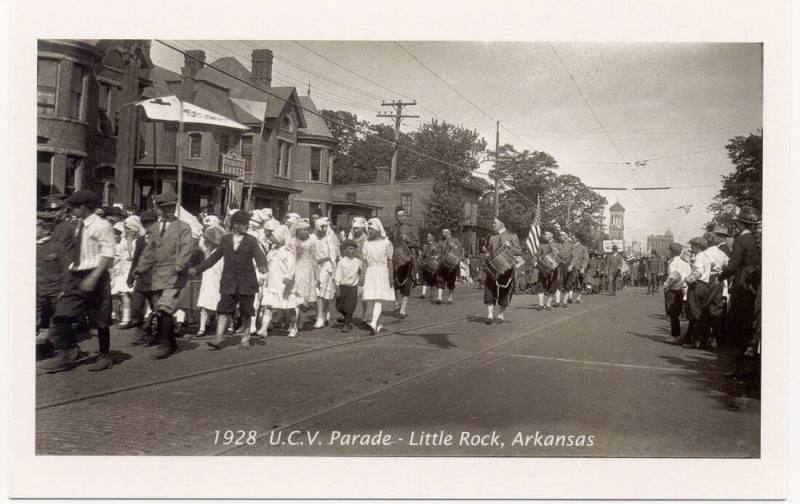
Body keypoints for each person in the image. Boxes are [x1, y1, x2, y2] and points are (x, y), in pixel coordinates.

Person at [38, 190, 116, 373]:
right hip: (77, 274)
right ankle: (67, 351)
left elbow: (107, 254)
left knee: (100, 319)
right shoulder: (78, 223)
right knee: (62, 314)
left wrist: (93, 277)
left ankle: (105, 355)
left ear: (84, 207)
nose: (70, 210)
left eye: (73, 207)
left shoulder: (101, 225)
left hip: (95, 274)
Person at [131, 192, 197, 359]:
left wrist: (180, 264)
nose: (168, 211)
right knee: (158, 309)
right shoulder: (154, 228)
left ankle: (165, 345)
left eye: (171, 207)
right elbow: (149, 252)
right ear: (158, 209)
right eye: (164, 208)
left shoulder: (183, 227)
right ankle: (171, 343)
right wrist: (139, 269)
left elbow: (187, 247)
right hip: (158, 274)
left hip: (175, 274)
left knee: (164, 308)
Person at [190, 210, 267, 349]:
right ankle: (218, 339)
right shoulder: (225, 240)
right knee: (223, 309)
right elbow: (214, 258)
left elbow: (259, 255)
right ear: (235, 225)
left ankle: (246, 337)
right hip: (229, 281)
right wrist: (197, 269)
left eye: (247, 223)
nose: (247, 225)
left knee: (246, 311)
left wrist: (262, 266)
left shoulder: (251, 240)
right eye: (243, 223)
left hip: (246, 281)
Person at [718, 206, 760, 380]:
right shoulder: (758, 239)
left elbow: (733, 265)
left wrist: (721, 276)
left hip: (743, 284)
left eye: (737, 224)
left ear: (741, 224)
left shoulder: (741, 240)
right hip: (756, 284)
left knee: (738, 325)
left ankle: (738, 367)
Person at [258, 224, 302, 338]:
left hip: (284, 284)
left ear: (279, 237)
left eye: (273, 236)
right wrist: (263, 277)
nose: (270, 237)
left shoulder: (288, 251)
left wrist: (289, 277)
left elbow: (292, 266)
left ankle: (293, 325)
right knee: (268, 306)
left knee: (289, 307)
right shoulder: (272, 250)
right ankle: (263, 328)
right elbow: (268, 265)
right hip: (272, 283)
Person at [126, 210, 159, 345]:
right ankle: (140, 330)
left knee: (157, 308)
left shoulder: (161, 239)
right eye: (145, 223)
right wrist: (131, 277)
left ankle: (159, 332)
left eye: (151, 222)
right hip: (142, 279)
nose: (148, 225)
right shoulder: (140, 241)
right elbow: (136, 260)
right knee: (136, 305)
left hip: (157, 280)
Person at [484, 218, 522, 324]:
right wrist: (486, 254)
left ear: (502, 224)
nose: (493, 224)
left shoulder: (512, 236)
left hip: (506, 268)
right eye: (493, 223)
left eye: (494, 223)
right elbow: (489, 252)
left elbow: (519, 251)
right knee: (489, 289)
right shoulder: (492, 237)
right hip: (493, 268)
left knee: (504, 291)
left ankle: (501, 314)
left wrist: (510, 246)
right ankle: (490, 315)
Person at [362, 218, 395, 334]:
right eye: (368, 229)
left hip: (382, 271)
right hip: (371, 272)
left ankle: (373, 322)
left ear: (377, 229)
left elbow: (390, 260)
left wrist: (391, 276)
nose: (369, 231)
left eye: (371, 229)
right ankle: (379, 324)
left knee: (378, 298)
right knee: (372, 297)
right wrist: (362, 276)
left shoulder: (386, 243)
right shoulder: (366, 244)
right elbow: (365, 261)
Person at [36, 215, 62, 356]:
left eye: (36, 226)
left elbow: (65, 269)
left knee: (55, 323)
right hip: (36, 292)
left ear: (46, 230)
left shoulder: (55, 246)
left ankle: (67, 348)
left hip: (53, 291)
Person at [388, 206, 420, 318]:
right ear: (396, 216)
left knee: (407, 283)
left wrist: (408, 240)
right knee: (395, 283)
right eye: (399, 216)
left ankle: (403, 309)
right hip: (395, 259)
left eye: (403, 215)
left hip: (407, 260)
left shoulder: (411, 228)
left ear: (405, 216)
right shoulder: (392, 228)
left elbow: (417, 243)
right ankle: (397, 304)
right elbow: (388, 242)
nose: (401, 217)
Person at [195, 225, 226, 337]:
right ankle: (202, 328)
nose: (205, 242)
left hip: (217, 282)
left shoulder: (221, 254)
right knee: (204, 305)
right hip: (207, 282)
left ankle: (227, 326)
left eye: (207, 240)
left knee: (220, 305)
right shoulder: (207, 252)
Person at [312, 217, 339, 328]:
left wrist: (322, 260)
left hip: (327, 267)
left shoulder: (330, 238)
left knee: (320, 291)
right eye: (319, 231)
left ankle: (320, 317)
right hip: (314, 266)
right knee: (317, 292)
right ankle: (323, 312)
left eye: (323, 232)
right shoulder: (312, 238)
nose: (321, 234)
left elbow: (332, 256)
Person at [684, 236, 711, 349]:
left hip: (696, 285)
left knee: (694, 313)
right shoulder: (706, 256)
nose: (691, 247)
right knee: (701, 313)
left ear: (698, 246)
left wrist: (688, 280)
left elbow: (698, 272)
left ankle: (696, 341)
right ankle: (704, 340)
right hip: (704, 286)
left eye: (693, 245)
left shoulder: (699, 257)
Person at [291, 219, 317, 327]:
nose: (307, 232)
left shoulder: (311, 242)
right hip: (295, 268)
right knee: (294, 294)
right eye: (304, 230)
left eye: (308, 230)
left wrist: (317, 275)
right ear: (298, 230)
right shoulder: (292, 241)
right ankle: (294, 321)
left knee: (303, 295)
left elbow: (314, 258)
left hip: (307, 269)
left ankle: (299, 319)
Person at [663, 243, 691, 344]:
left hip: (673, 290)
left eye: (669, 250)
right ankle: (677, 335)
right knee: (677, 313)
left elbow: (673, 278)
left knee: (673, 314)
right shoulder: (685, 263)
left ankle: (675, 336)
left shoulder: (673, 263)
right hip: (682, 289)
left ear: (672, 252)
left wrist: (667, 287)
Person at [335, 240, 364, 333]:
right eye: (349, 248)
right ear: (344, 250)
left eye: (353, 249)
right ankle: (347, 317)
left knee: (350, 305)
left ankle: (347, 323)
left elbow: (362, 271)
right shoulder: (341, 262)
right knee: (339, 306)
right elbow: (338, 275)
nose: (352, 250)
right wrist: (337, 287)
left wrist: (360, 280)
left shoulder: (358, 262)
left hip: (353, 287)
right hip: (343, 286)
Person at [434, 228, 463, 305]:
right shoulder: (441, 242)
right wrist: (437, 256)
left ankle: (450, 297)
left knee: (451, 281)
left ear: (449, 232)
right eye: (443, 232)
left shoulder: (456, 240)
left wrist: (455, 247)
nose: (444, 233)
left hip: (453, 265)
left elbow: (461, 251)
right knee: (440, 279)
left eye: (445, 232)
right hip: (443, 264)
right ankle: (439, 298)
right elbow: (439, 252)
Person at [535, 230, 560, 310]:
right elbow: (537, 254)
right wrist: (537, 258)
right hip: (543, 268)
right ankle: (541, 304)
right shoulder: (542, 245)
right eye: (545, 234)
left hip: (553, 268)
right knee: (540, 284)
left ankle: (548, 304)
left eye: (547, 234)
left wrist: (557, 251)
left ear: (551, 235)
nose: (545, 236)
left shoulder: (557, 244)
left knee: (552, 286)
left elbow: (561, 256)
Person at [554, 230, 574, 307]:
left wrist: (571, 265)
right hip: (560, 265)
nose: (561, 236)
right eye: (560, 235)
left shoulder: (571, 246)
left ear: (566, 236)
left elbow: (574, 257)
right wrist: (556, 251)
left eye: (563, 235)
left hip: (568, 266)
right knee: (559, 282)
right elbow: (555, 255)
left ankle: (565, 301)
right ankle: (558, 301)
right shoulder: (558, 245)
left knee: (567, 283)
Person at [419, 232, 438, 300]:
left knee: (432, 279)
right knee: (425, 279)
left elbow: (439, 253)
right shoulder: (424, 245)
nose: (428, 238)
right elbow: (422, 254)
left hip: (433, 265)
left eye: (429, 236)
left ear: (433, 237)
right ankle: (423, 294)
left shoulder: (436, 245)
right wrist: (420, 257)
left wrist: (436, 256)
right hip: (425, 264)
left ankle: (431, 294)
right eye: (427, 236)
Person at [571, 236, 589, 304]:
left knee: (579, 282)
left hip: (579, 268)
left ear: (577, 239)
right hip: (571, 267)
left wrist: (583, 268)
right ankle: (569, 297)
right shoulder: (571, 246)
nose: (572, 238)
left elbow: (586, 259)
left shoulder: (583, 248)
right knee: (570, 282)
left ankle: (578, 297)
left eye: (573, 237)